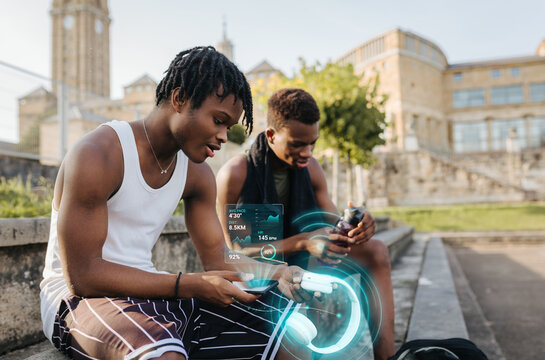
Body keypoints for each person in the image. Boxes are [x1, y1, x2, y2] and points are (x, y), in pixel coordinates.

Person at [40, 48, 311, 360]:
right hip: (77, 301)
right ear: (180, 99)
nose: (223, 136)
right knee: (165, 356)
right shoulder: (99, 153)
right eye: (218, 120)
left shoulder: (197, 174)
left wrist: (277, 273)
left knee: (290, 339)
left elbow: (218, 260)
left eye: (229, 127)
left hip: (151, 291)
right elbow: (83, 277)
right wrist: (187, 284)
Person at [216, 88, 395, 360]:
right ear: (271, 135)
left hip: (304, 259)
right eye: (298, 144)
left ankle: (389, 357)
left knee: (377, 250)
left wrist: (356, 226)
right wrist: (303, 242)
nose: (307, 153)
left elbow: (332, 223)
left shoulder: (311, 168)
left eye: (313, 144)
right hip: (262, 269)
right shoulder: (236, 173)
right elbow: (233, 255)